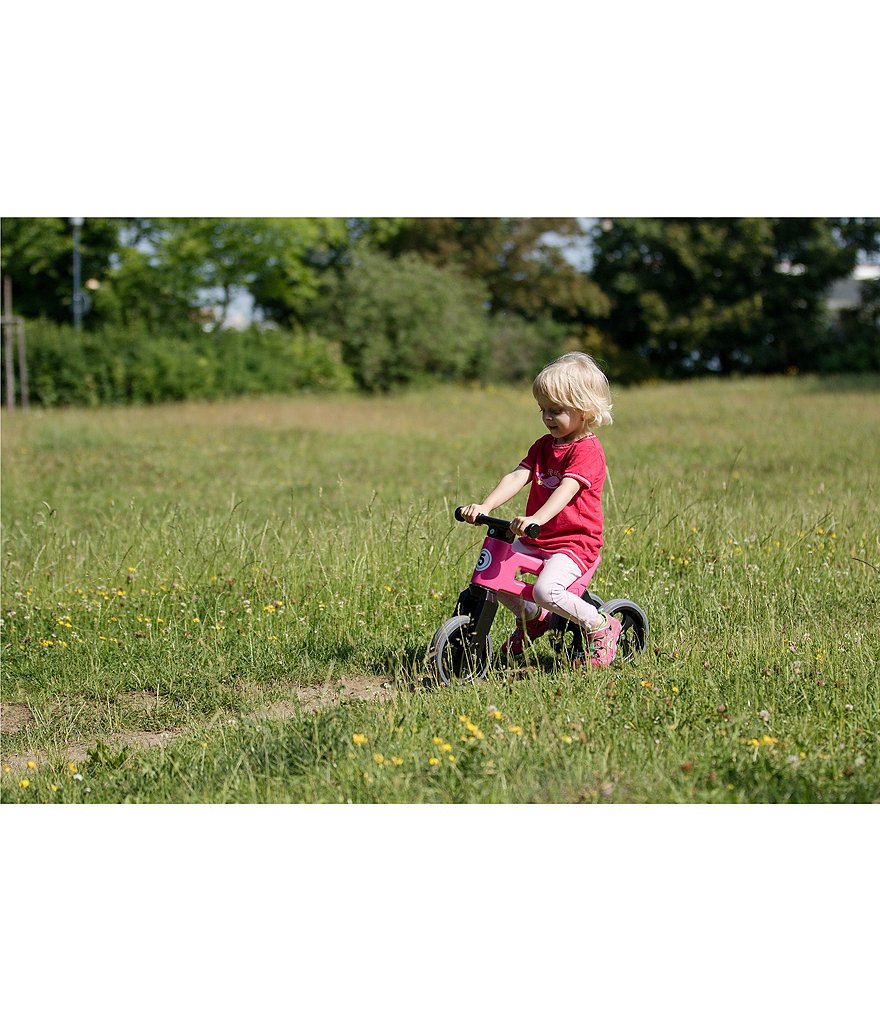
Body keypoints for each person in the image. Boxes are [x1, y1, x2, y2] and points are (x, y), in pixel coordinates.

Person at [459, 351, 621, 667]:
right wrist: (485, 505)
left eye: (556, 410)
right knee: (492, 576)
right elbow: (519, 476)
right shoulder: (543, 445)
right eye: (543, 410)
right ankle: (534, 619)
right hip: (538, 539)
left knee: (547, 590)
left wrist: (536, 518)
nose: (547, 417)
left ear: (585, 411)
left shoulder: (587, 450)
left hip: (574, 544)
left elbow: (566, 489)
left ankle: (602, 626)